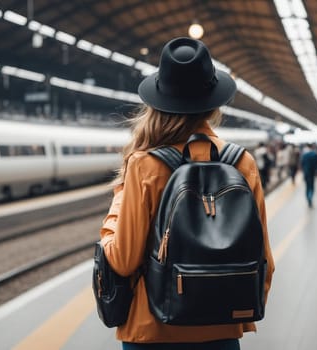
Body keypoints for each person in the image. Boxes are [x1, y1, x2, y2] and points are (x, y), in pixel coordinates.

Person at [99, 37, 275, 349]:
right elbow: (265, 261)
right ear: (214, 103)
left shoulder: (144, 164)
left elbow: (123, 260)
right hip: (222, 331)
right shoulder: (241, 162)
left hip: (153, 330)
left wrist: (117, 206)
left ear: (157, 101)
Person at [300, 143, 317, 208]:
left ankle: (308, 198)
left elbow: (302, 164)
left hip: (306, 173)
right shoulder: (315, 154)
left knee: (307, 187)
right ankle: (310, 197)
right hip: (312, 173)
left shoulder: (304, 155)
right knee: (311, 186)